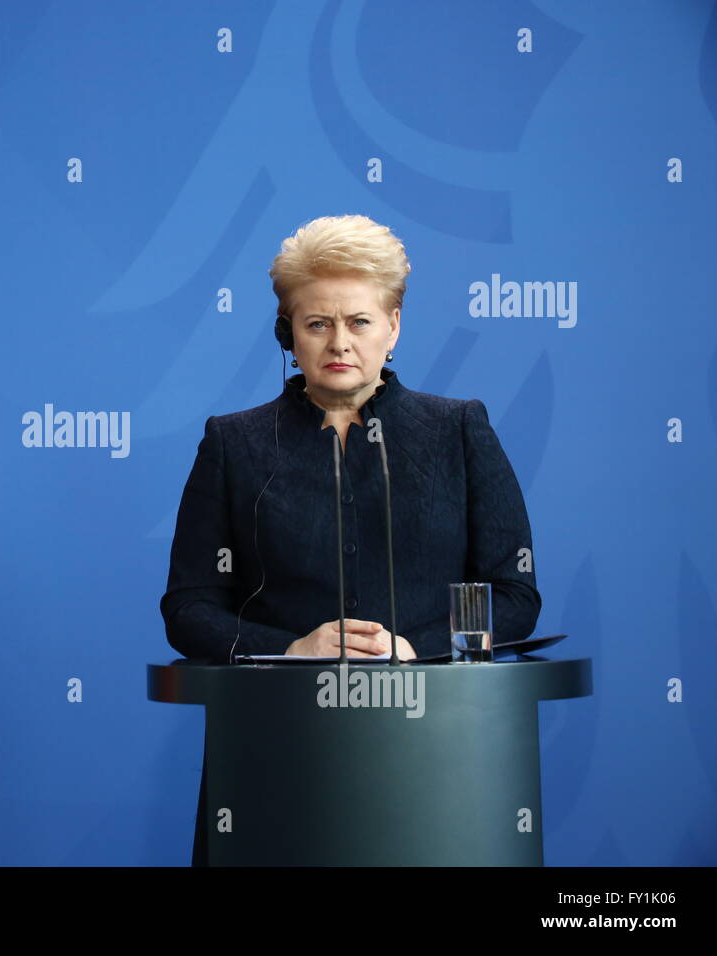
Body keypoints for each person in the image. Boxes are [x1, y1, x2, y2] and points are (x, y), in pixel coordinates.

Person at [158, 214, 542, 863]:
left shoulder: (459, 431)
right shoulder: (233, 443)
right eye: (317, 323)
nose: (340, 342)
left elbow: (513, 596)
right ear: (288, 333)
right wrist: (291, 651)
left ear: (393, 326)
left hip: (436, 758)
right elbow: (189, 608)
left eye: (360, 321)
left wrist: (412, 648)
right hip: (274, 757)